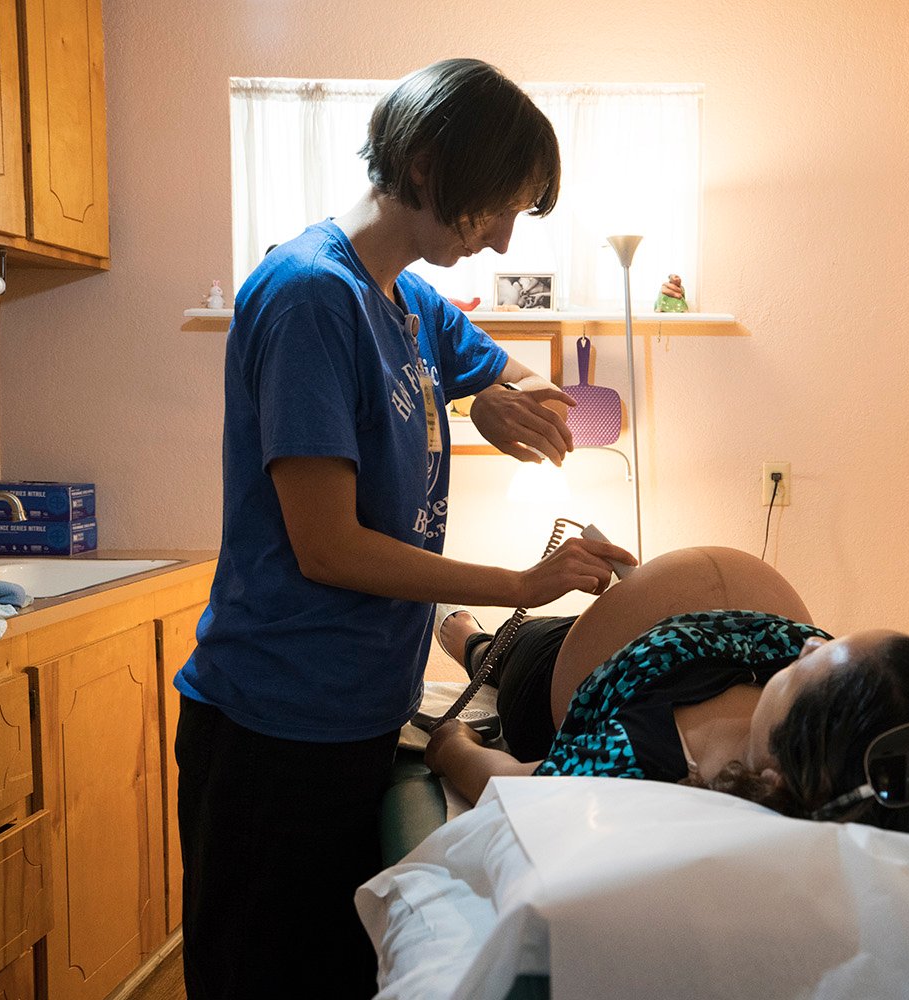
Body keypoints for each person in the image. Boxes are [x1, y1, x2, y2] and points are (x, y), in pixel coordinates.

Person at [173, 59, 635, 1000]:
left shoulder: (409, 303)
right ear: (427, 164)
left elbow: (527, 384)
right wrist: (519, 586)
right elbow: (327, 547)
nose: (505, 236)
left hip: (359, 716)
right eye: (497, 207)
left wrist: (500, 400)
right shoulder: (311, 295)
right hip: (275, 724)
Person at [424, 547, 909, 838]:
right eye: (830, 639)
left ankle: (465, 637)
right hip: (647, 602)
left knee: (501, 652)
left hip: (563, 663)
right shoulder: (881, 708)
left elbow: (504, 783)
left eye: (810, 667)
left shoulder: (646, 760)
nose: (808, 645)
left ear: (786, 755)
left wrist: (447, 739)